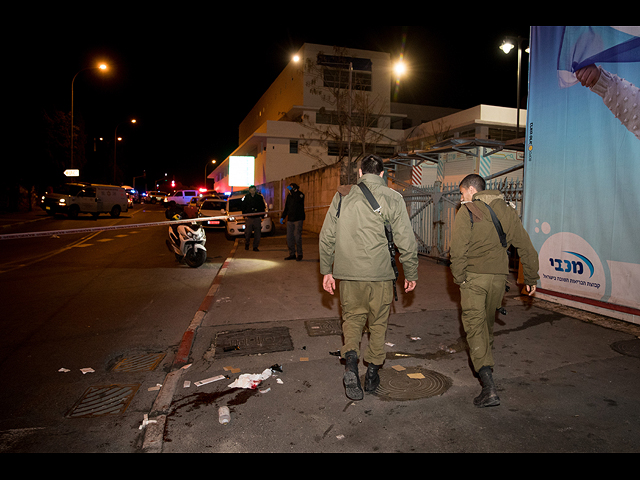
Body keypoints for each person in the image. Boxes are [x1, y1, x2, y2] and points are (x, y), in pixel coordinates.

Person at [320, 154, 418, 401]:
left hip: (349, 276)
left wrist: (326, 270)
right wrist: (411, 272)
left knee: (351, 321)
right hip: (381, 276)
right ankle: (372, 373)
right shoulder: (394, 198)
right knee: (378, 325)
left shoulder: (342, 196)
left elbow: (327, 236)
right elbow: (406, 241)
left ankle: (351, 364)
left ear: (360, 173)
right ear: (382, 174)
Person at [450, 174, 539, 408]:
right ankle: (486, 365)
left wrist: (459, 278)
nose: (461, 198)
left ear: (472, 190)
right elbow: (525, 246)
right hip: (498, 280)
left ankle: (488, 383)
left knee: (474, 325)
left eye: (462, 193)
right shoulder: (508, 211)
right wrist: (530, 276)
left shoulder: (467, 211)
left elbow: (457, 251)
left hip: (474, 279)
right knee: (486, 324)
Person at [281, 183, 306, 261]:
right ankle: (292, 254)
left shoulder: (300, 195)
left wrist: (293, 191)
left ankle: (300, 254)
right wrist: (283, 217)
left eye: (291, 188)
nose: (289, 190)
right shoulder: (289, 196)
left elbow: (297, 200)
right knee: (289, 238)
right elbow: (287, 207)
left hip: (298, 219)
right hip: (290, 220)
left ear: (295, 188)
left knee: (297, 237)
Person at [241, 186, 266, 252]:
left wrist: (261, 216)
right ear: (249, 191)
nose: (252, 192)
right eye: (251, 190)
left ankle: (255, 246)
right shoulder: (246, 197)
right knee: (248, 233)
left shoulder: (259, 198)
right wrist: (244, 215)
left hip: (257, 218)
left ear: (255, 190)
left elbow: (263, 207)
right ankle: (247, 243)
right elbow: (243, 207)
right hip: (249, 218)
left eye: (253, 190)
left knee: (257, 233)